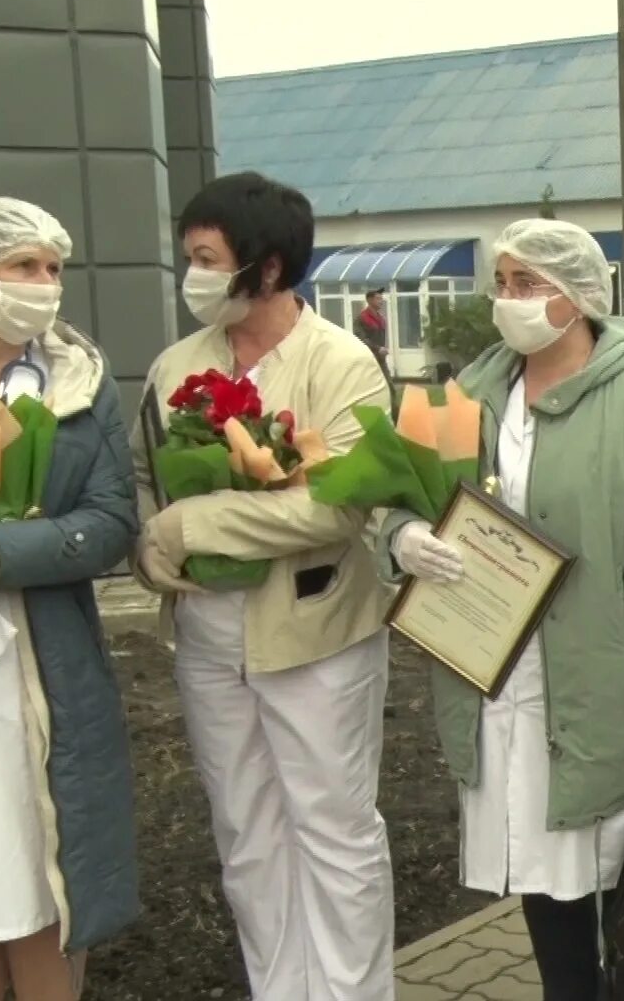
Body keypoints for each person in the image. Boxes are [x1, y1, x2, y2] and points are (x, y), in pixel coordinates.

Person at [382, 219, 624, 1001]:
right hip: (499, 676)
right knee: (544, 877)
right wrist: (401, 537)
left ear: (578, 298)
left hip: (601, 684)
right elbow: (398, 499)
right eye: (502, 283)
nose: (510, 300)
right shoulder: (468, 393)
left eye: (529, 285)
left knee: (614, 890)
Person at [130, 172, 396, 1001]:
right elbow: (147, 482)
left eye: (208, 260)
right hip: (208, 636)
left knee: (333, 831)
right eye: (189, 259)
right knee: (246, 833)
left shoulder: (341, 363)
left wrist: (196, 527)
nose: (193, 277)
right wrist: (154, 547)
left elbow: (335, 510)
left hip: (316, 635)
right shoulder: (177, 365)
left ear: (269, 269)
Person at [0, 199, 139, 1001]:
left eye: (52, 268)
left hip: (40, 669)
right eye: (22, 267)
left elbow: (109, 523)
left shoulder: (77, 381)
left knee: (39, 876)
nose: (43, 285)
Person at [355, 288, 389, 378]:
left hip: (380, 358)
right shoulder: (362, 318)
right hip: (368, 359)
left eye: (381, 299)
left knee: (388, 385)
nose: (381, 301)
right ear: (369, 300)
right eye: (378, 299)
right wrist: (378, 348)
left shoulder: (381, 318)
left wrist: (383, 349)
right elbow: (362, 339)